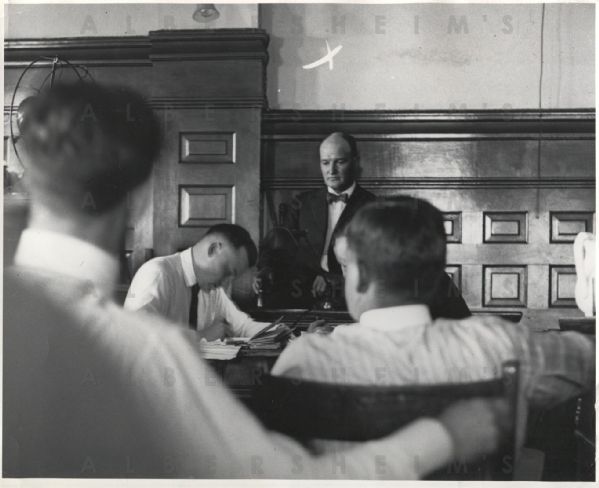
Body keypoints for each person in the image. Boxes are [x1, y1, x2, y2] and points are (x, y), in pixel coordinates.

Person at [4, 81, 507, 478]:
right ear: (138, 197)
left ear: (28, 172)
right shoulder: (151, 350)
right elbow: (282, 475)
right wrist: (441, 438)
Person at [272, 197, 595, 451]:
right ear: (437, 277)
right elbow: (590, 359)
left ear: (364, 276)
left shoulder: (305, 360)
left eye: (346, 267)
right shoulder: (501, 345)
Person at [257, 132, 471, 318]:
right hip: (302, 301)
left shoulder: (375, 209)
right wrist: (266, 271)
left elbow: (383, 265)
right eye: (325, 163)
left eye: (339, 162)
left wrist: (333, 280)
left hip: (353, 302)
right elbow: (279, 250)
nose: (331, 170)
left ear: (355, 163)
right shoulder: (300, 204)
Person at [125, 223, 272, 339]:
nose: (226, 282)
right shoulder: (158, 273)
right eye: (227, 272)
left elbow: (242, 327)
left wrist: (277, 333)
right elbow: (135, 333)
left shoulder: (213, 290)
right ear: (213, 249)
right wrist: (202, 336)